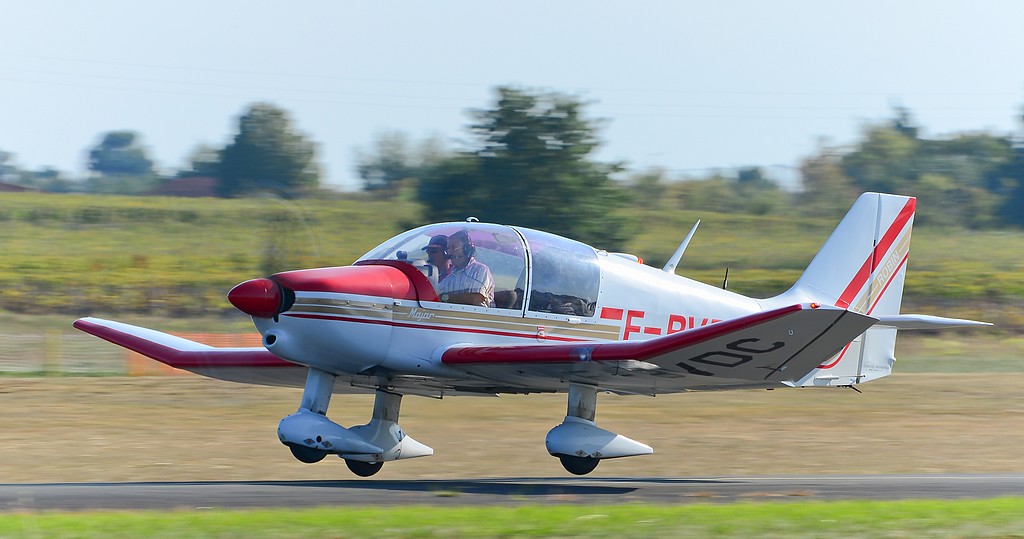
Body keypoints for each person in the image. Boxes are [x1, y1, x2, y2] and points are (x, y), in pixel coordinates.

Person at [438, 230, 494, 307]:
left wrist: (445, 297)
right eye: (448, 249)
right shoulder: (451, 275)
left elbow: (477, 299)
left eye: (454, 248)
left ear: (467, 249)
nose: (450, 253)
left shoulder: (480, 270)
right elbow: (435, 294)